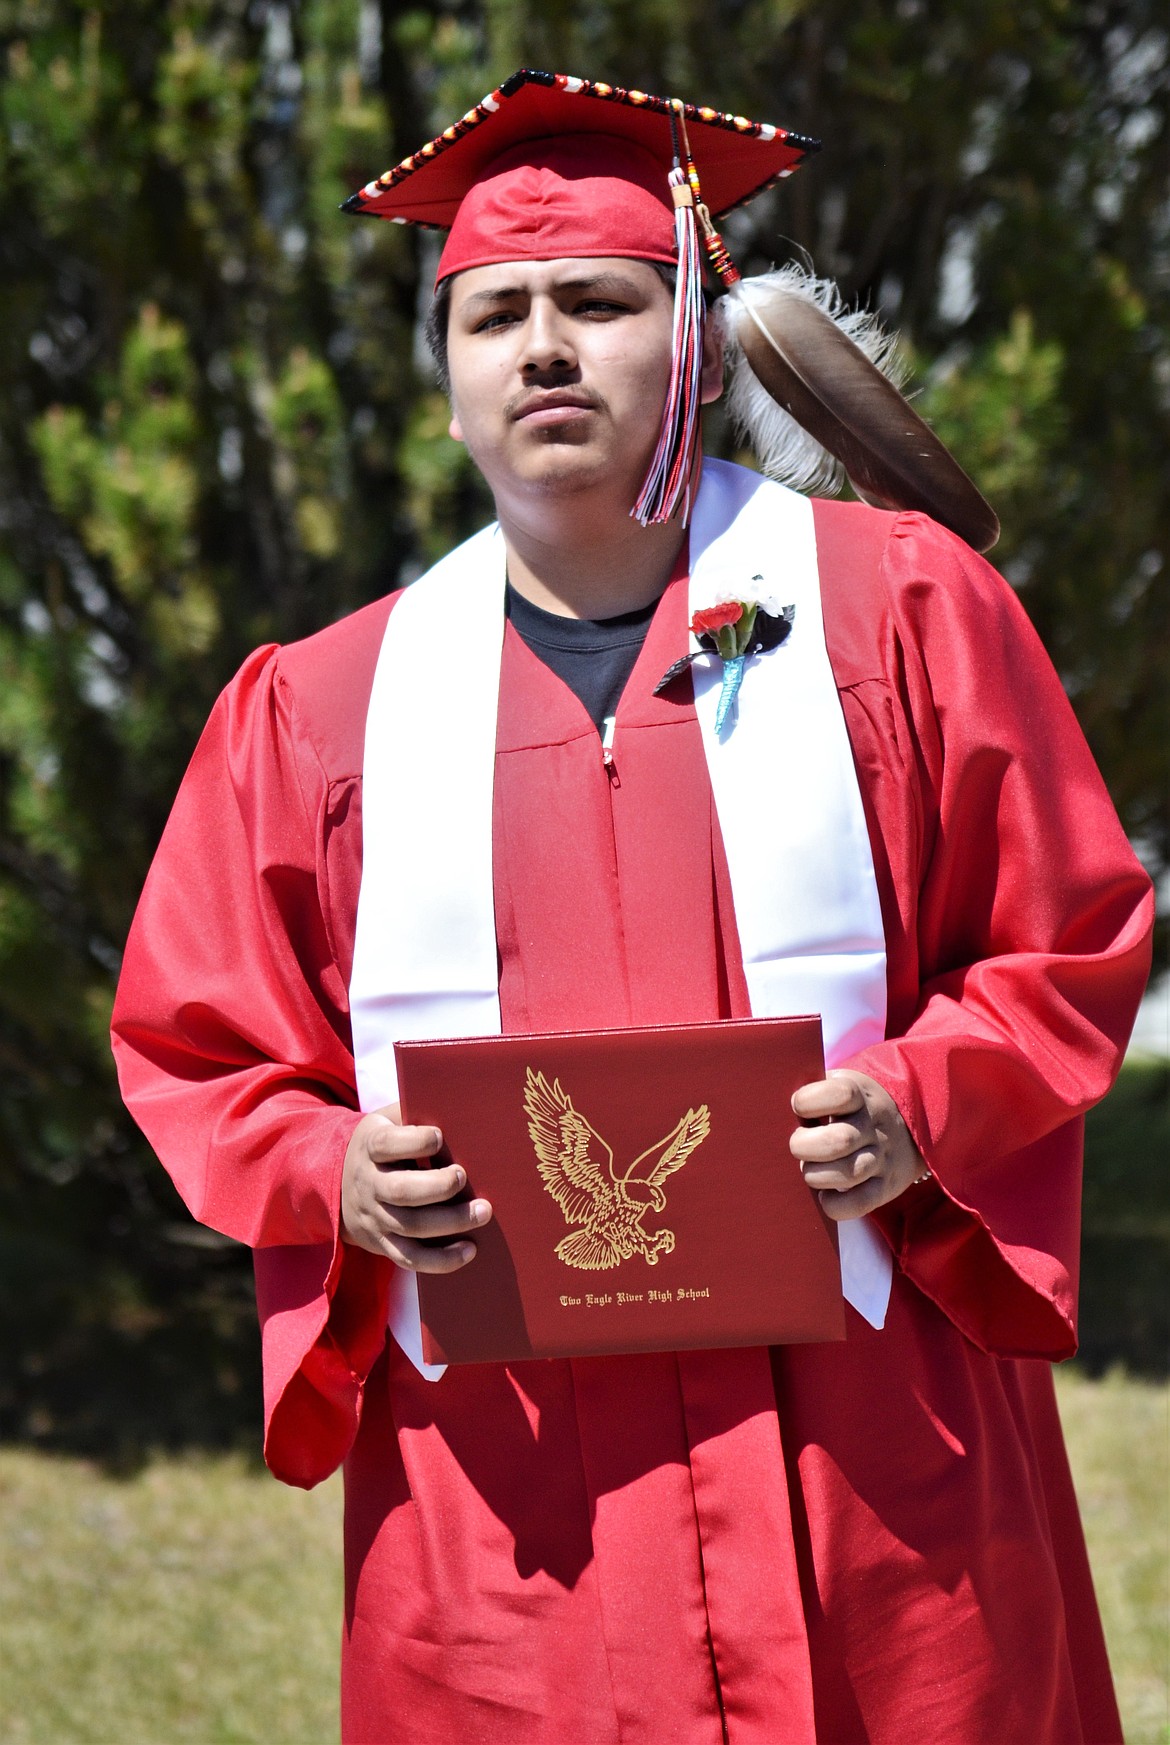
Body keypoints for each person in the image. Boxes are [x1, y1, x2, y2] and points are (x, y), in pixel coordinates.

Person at [112, 70, 1153, 1745]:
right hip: (514, 1492)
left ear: (694, 341)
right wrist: (331, 1174)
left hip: (871, 1446)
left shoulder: (893, 612)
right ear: (444, 384)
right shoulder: (325, 707)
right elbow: (201, 1039)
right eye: (492, 314)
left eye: (598, 301)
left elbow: (1065, 938)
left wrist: (916, 1102)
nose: (541, 346)